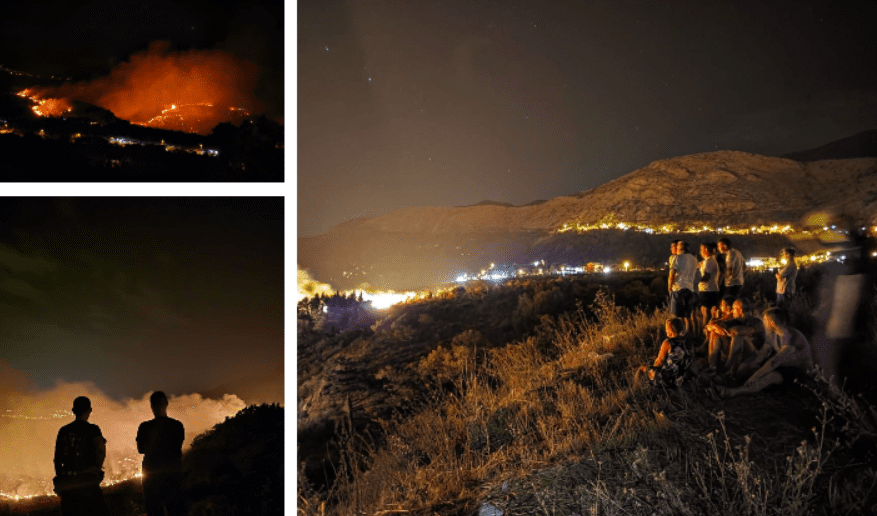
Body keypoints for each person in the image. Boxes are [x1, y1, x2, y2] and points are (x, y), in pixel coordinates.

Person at [718, 308, 814, 397]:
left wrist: (755, 376)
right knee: (750, 367)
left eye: (764, 320)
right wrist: (746, 365)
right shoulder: (773, 334)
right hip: (783, 365)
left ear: (770, 322)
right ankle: (727, 379)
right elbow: (762, 353)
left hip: (799, 371)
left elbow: (774, 361)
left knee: (767, 377)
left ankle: (732, 392)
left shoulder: (791, 336)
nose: (763, 323)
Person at [53, 396, 109, 516]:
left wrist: (61, 480)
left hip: (68, 486)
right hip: (88, 484)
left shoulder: (63, 431)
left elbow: (57, 459)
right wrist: (96, 469)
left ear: (73, 411)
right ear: (89, 410)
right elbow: (100, 451)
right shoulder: (93, 429)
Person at [137, 391, 186, 516]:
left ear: (151, 406)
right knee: (176, 511)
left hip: (151, 477)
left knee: (154, 511)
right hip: (173, 474)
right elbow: (177, 446)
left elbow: (141, 449)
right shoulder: (177, 425)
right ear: (166, 404)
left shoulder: (144, 427)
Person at [639, 317, 691, 387]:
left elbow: (659, 362)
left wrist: (652, 368)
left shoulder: (668, 343)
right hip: (682, 379)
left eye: (666, 328)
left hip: (668, 380)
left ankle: (638, 386)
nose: (665, 330)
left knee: (643, 368)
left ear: (670, 330)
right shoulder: (687, 342)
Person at [668, 240, 698, 319]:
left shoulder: (678, 258)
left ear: (680, 249)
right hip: (690, 289)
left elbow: (672, 274)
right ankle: (688, 331)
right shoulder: (694, 259)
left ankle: (679, 330)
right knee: (687, 317)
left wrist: (670, 288)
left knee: (676, 316)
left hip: (678, 288)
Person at [697, 242, 721, 327]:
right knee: (708, 312)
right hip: (709, 289)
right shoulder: (708, 261)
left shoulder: (709, 262)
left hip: (708, 290)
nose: (700, 252)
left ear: (706, 250)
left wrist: (696, 281)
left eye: (701, 249)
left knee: (706, 312)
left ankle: (706, 329)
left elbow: (707, 276)